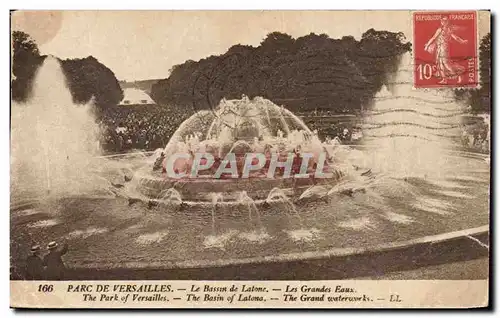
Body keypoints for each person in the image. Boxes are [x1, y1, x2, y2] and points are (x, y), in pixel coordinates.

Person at [424, 16, 468, 84]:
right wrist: (427, 45)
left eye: (445, 21)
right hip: (439, 48)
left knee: (446, 63)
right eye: (442, 21)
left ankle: (459, 75)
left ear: (447, 22)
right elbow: (433, 38)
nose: (443, 22)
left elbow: (455, 37)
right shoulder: (439, 30)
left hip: (444, 48)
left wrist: (462, 41)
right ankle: (444, 79)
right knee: (440, 63)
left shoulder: (449, 30)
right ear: (441, 22)